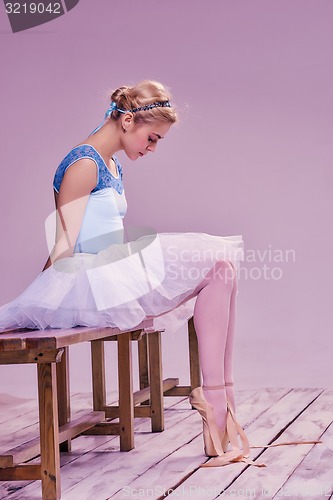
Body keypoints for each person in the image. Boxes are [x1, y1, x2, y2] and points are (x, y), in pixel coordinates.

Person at [0, 80, 262, 467]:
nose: (153, 148)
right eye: (152, 138)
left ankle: (218, 399)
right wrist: (36, 304)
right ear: (126, 120)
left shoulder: (111, 163)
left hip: (114, 268)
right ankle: (217, 405)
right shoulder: (84, 163)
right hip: (89, 278)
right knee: (217, 265)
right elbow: (63, 247)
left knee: (223, 266)